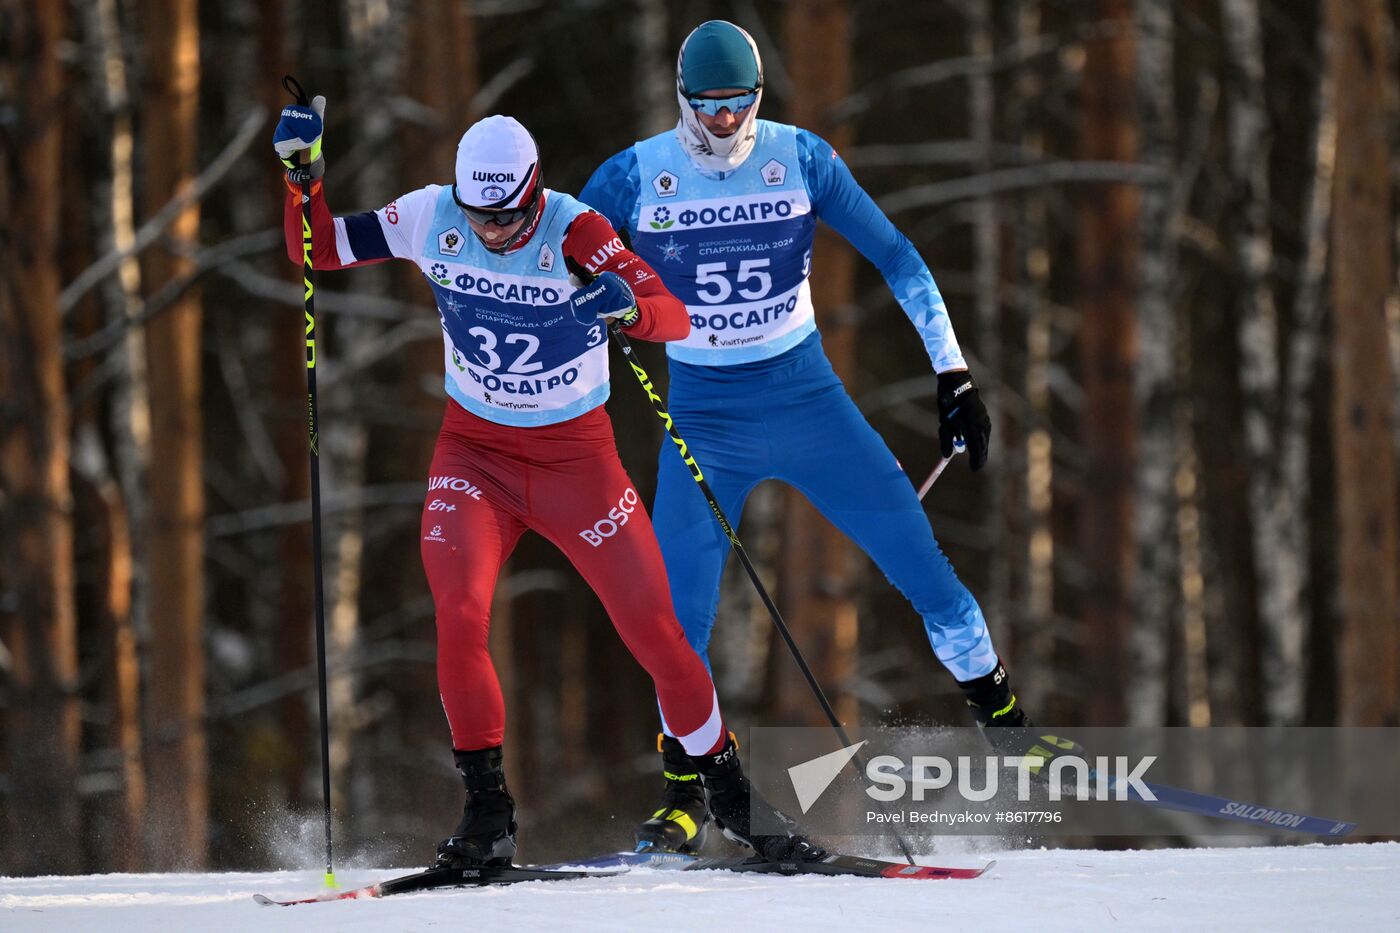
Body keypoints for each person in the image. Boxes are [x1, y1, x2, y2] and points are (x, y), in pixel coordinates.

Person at [273, 102, 819, 864]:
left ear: (535, 191)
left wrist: (626, 305)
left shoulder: (577, 229)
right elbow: (321, 248)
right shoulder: (434, 215)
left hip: (576, 462)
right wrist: (305, 179)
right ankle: (487, 811)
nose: (493, 231)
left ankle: (731, 796)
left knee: (655, 631)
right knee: (459, 615)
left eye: (508, 215)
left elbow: (675, 314)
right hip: (475, 457)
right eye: (480, 215)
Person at [580, 20, 1032, 854]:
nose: (722, 124)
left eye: (738, 105)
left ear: (760, 98)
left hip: (807, 398)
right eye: (707, 108)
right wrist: (587, 305)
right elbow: (561, 255)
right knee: (675, 617)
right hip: (706, 418)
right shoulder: (635, 175)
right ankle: (684, 789)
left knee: (919, 560)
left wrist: (954, 372)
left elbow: (899, 257)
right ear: (683, 100)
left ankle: (1005, 719)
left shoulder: (802, 158)